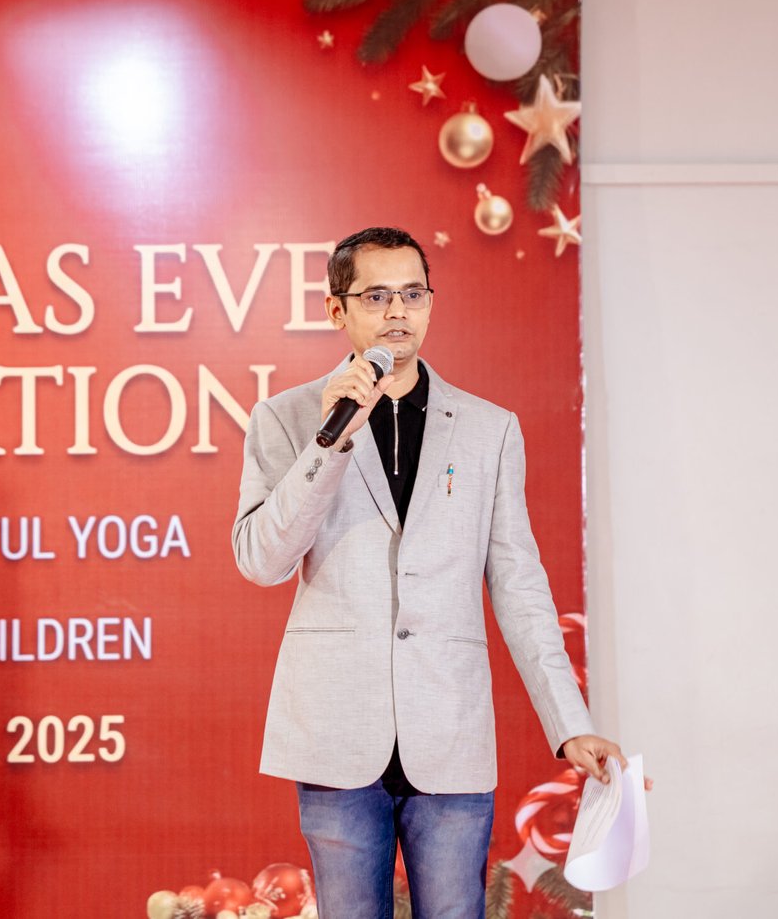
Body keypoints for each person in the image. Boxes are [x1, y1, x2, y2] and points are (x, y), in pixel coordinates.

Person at [232, 226, 628, 919]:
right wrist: (331, 441)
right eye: (376, 296)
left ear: (430, 303)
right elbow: (262, 559)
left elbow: (519, 583)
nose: (397, 312)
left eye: (412, 294)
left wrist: (570, 724)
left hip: (449, 725)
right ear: (336, 310)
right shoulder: (288, 417)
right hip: (336, 729)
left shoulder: (487, 429)